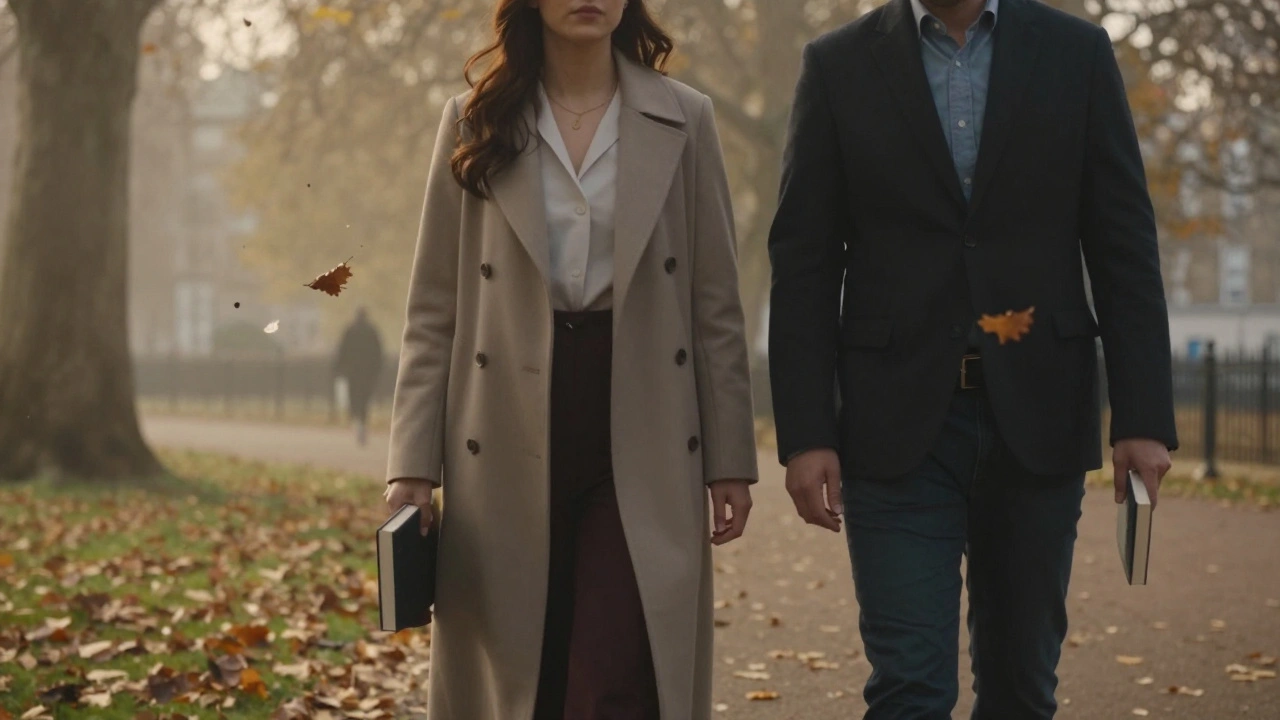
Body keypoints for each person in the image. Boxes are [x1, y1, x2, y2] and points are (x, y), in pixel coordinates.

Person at [767, 0, 1177, 717]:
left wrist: (1142, 415)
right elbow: (802, 261)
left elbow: (1123, 243)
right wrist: (806, 433)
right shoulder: (836, 64)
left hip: (1039, 417)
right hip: (892, 427)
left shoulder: (1077, 53)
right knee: (909, 688)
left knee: (1021, 687)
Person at [382, 0, 759, 717]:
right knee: (532, 664)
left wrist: (729, 457)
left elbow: (715, 307)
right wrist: (411, 465)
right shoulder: (474, 120)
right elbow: (434, 311)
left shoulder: (686, 118)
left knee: (618, 668)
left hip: (643, 416)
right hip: (503, 423)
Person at [333, 306, 384, 446]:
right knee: (364, 399)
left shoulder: (350, 330)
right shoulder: (372, 331)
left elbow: (342, 351)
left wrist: (339, 369)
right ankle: (362, 421)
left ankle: (357, 422)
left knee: (354, 398)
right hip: (367, 373)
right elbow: (378, 353)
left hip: (352, 373)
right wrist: (377, 370)